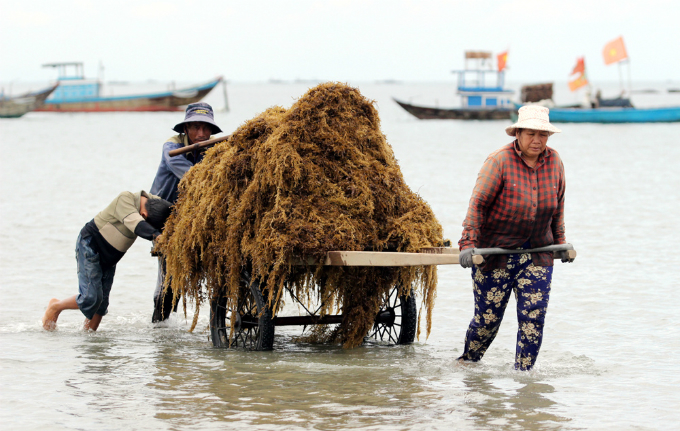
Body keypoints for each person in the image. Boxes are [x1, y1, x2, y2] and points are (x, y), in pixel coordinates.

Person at [457, 105, 573, 371]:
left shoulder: (554, 162)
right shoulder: (498, 161)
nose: (537, 140)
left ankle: (524, 378)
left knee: (534, 318)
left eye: (543, 135)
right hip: (495, 254)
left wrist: (562, 242)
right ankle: (468, 365)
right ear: (518, 133)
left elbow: (558, 206)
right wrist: (467, 245)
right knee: (488, 320)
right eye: (531, 133)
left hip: (537, 253)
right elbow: (478, 206)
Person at [42, 191, 172, 331]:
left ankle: (89, 340)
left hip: (111, 256)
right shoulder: (125, 199)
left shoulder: (154, 202)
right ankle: (55, 306)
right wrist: (158, 236)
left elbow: (172, 209)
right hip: (91, 245)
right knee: (90, 298)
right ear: (144, 215)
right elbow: (138, 225)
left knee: (101, 305)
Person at [149, 102, 222, 322]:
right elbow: (193, 177)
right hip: (164, 214)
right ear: (185, 129)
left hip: (194, 215)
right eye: (195, 128)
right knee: (170, 279)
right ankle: (160, 327)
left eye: (205, 128)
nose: (201, 133)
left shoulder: (215, 148)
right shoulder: (171, 147)